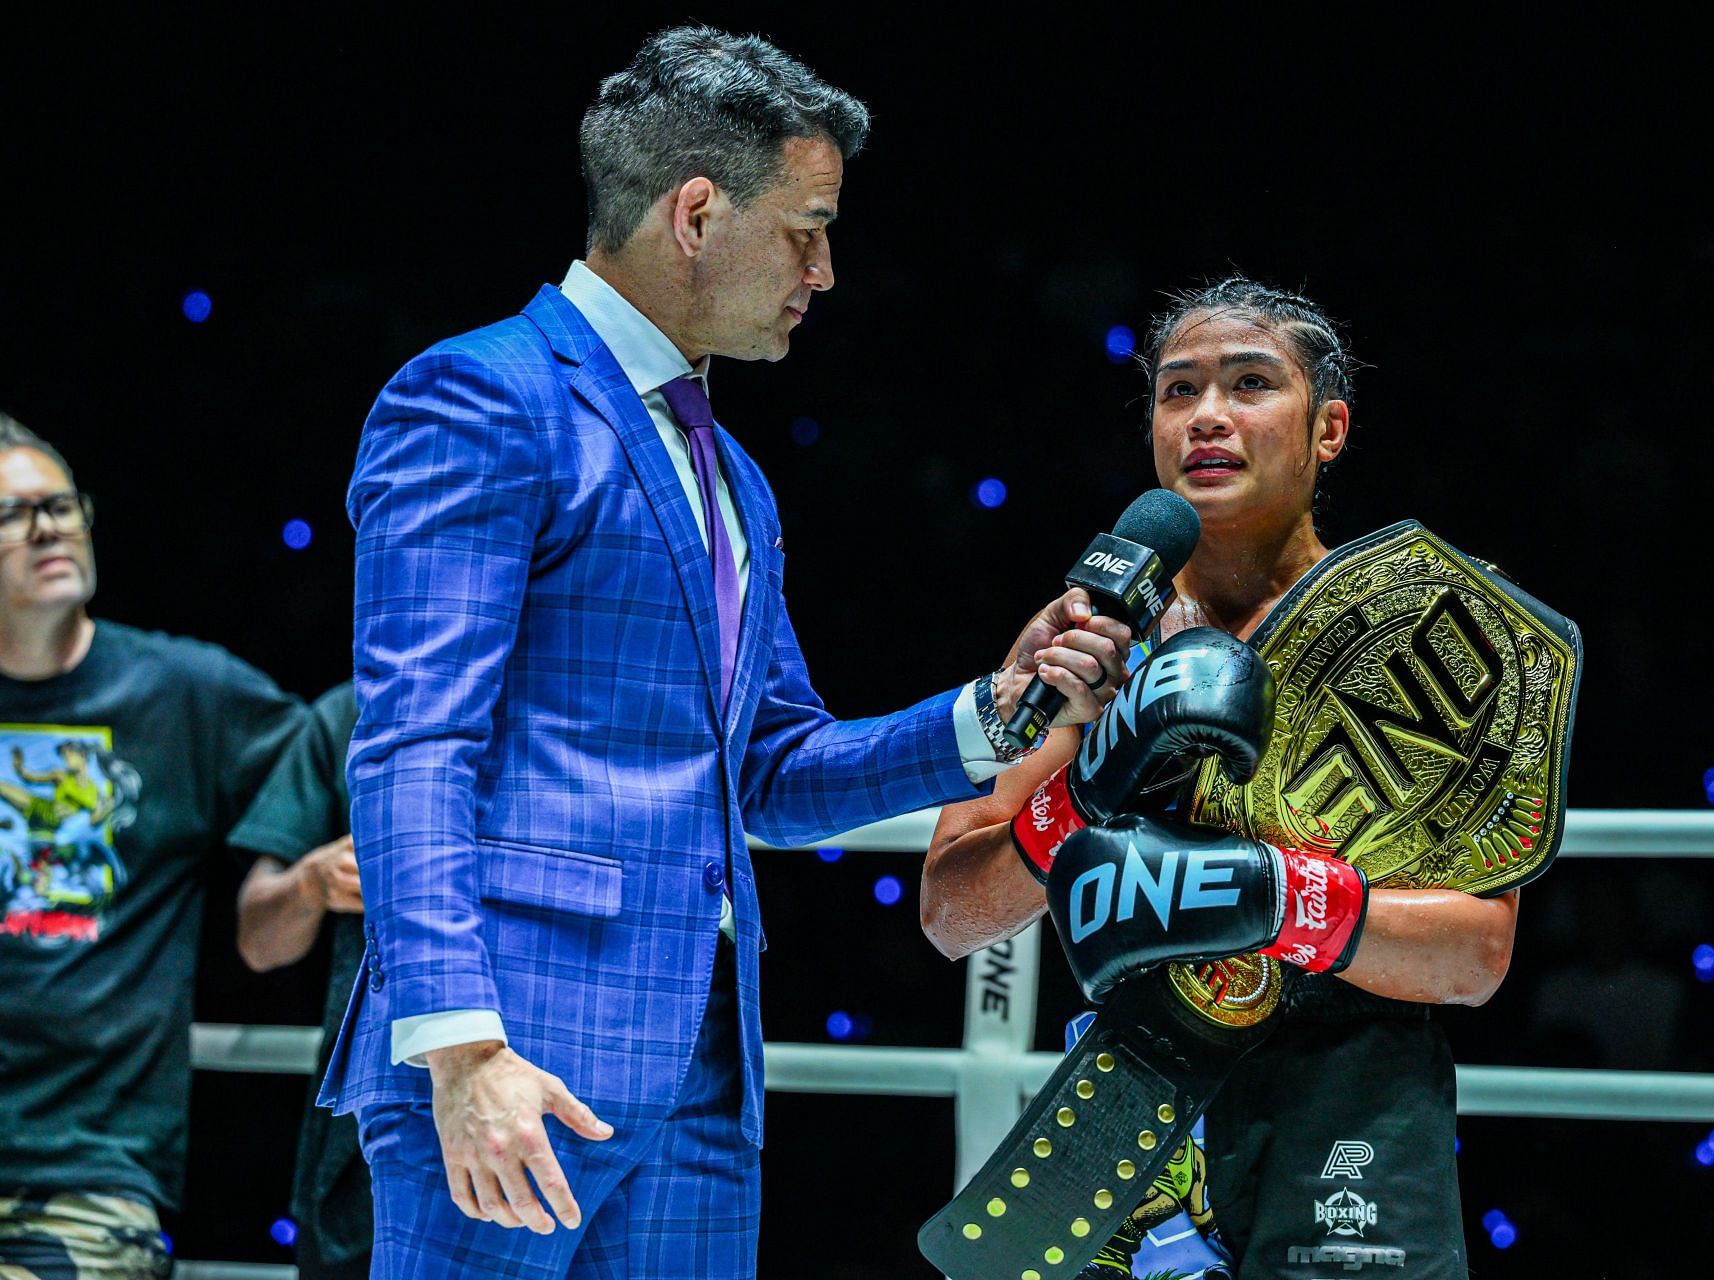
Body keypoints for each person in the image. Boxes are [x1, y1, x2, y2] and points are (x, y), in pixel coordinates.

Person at [320, 26, 1131, 1280]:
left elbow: (776, 770)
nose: (825, 269)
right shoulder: (483, 395)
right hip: (508, 1051)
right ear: (695, 212)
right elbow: (416, 737)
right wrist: (459, 1044)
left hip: (703, 1064)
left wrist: (995, 709)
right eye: (806, 229)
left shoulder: (733, 474)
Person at [921, 280, 1523, 1280]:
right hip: (1133, 1123)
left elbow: (1476, 955)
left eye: (1249, 384)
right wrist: (1088, 780)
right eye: (1178, 390)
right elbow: (952, 911)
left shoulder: (1421, 638)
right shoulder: (1087, 637)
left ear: (1328, 427)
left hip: (1350, 1108)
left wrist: (1269, 895)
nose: (1207, 414)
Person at [0, 412, 309, 1278]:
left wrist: (298, 882)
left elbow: (332, 768)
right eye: (13, 513)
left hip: (82, 1181)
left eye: (62, 506)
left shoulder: (184, 695)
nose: (49, 527)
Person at [228, 681, 366, 1280]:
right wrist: (312, 880)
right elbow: (257, 941)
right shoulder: (353, 709)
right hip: (375, 1113)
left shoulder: (591, 693)